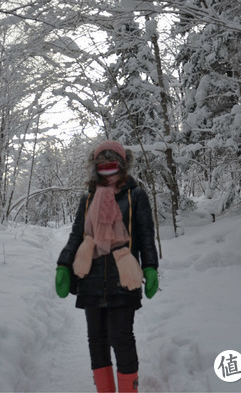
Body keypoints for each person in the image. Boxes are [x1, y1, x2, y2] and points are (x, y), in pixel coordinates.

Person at [55, 140, 159, 393]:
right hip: (90, 277)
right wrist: (64, 264)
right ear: (95, 166)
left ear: (122, 165)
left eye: (112, 162)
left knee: (121, 337)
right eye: (102, 163)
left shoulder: (136, 195)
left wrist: (150, 267)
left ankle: (128, 390)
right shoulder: (88, 197)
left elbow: (146, 235)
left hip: (123, 274)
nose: (106, 167)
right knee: (96, 340)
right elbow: (77, 234)